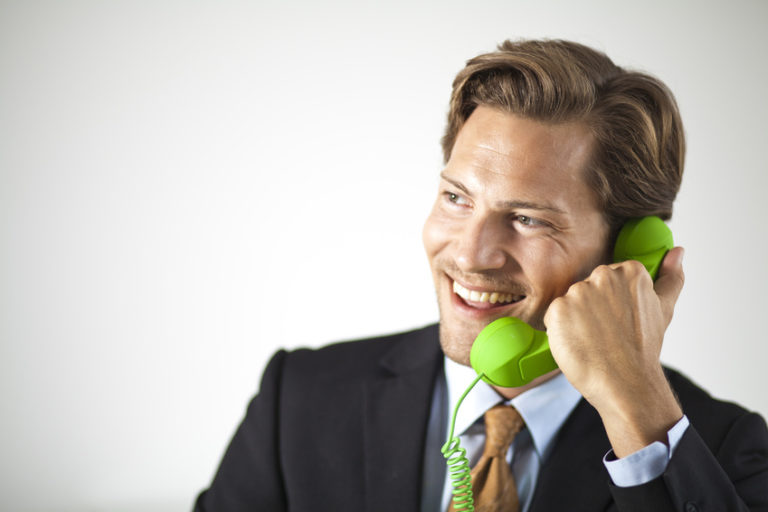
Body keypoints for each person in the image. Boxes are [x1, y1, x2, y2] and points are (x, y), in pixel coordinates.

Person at [194, 39, 768, 511]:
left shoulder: (725, 452)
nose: (470, 254)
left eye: (526, 218)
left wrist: (639, 412)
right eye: (456, 197)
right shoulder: (300, 399)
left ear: (627, 256)